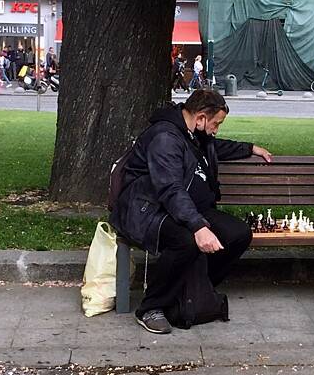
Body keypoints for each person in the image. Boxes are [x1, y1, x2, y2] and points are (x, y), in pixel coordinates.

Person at [113, 89, 273, 335]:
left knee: (238, 234)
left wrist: (249, 148)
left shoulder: (192, 134)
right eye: (216, 123)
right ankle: (151, 307)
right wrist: (198, 226)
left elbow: (213, 148)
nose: (216, 129)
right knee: (185, 241)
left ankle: (195, 288)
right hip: (147, 210)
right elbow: (170, 188)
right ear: (200, 118)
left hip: (184, 207)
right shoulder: (165, 138)